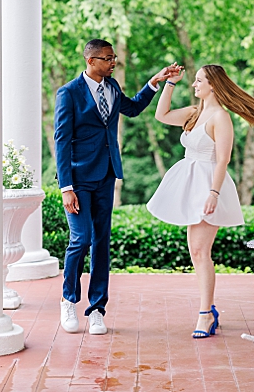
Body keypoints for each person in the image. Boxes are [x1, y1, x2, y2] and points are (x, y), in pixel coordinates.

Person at [55, 39, 180, 335]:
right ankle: (68, 299)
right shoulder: (68, 93)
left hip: (107, 174)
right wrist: (66, 187)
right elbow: (61, 141)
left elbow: (134, 108)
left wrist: (155, 82)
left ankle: (97, 309)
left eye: (114, 58)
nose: (113, 63)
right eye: (108, 58)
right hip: (78, 178)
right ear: (91, 61)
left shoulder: (111, 87)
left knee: (101, 243)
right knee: (80, 239)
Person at [147, 64, 254, 338]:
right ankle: (209, 310)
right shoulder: (195, 113)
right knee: (195, 251)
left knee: (201, 252)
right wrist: (170, 83)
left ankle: (205, 315)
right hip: (190, 185)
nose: (194, 85)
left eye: (198, 80)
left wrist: (213, 194)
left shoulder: (220, 118)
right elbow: (162, 115)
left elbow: (223, 160)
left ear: (213, 85)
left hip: (208, 186)